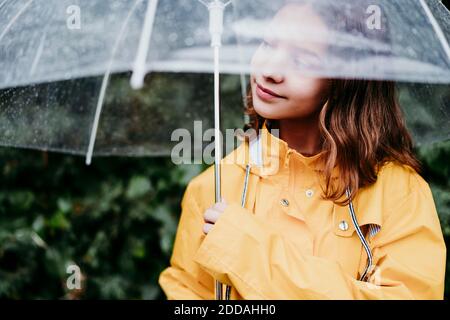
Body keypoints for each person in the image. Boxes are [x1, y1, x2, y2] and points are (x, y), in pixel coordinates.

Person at [158, 1, 446, 299]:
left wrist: (252, 254)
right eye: (269, 43)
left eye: (303, 61)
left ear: (346, 80)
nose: (269, 70)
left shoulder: (398, 194)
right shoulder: (214, 189)